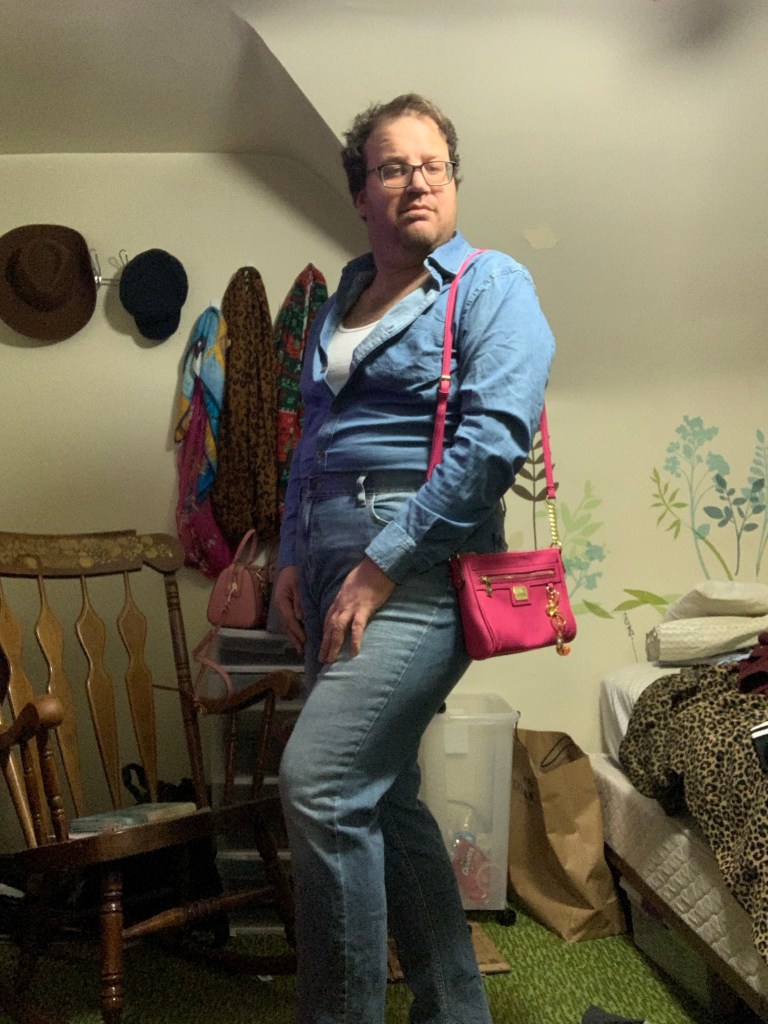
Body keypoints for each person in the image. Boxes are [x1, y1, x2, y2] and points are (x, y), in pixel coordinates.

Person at [274, 93, 555, 1024]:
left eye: (433, 165)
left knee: (320, 785)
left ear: (454, 181)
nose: (417, 182)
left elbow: (494, 443)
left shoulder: (491, 284)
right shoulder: (341, 301)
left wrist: (382, 562)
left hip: (421, 576)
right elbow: (310, 441)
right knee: (385, 796)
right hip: (329, 573)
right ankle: (455, 1008)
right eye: (393, 167)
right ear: (362, 193)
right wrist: (290, 558)